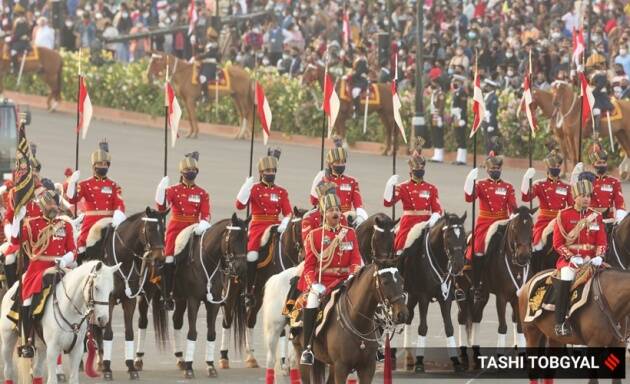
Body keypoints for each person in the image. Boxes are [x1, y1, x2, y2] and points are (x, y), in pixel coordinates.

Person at [296, 192, 361, 365]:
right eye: (331, 210)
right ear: (324, 214)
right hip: (323, 281)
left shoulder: (350, 233)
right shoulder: (315, 235)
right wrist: (313, 285)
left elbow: (356, 259)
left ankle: (372, 345)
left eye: (338, 210)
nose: (336, 213)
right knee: (311, 301)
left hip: (346, 279)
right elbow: (309, 266)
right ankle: (307, 349)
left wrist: (354, 275)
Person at [10, 190, 75, 358]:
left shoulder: (65, 225)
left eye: (55, 204)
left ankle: (82, 336)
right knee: (28, 300)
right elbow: (15, 240)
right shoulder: (32, 224)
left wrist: (65, 259)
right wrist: (18, 218)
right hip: (38, 269)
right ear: (43, 206)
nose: (53, 207)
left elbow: (73, 250)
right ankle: (27, 342)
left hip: (60, 267)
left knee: (81, 291)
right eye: (50, 204)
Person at [235, 149, 291, 307]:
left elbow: (288, 212)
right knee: (251, 255)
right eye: (267, 171)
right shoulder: (254, 189)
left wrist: (285, 223)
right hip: (258, 227)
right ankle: (249, 290)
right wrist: (246, 186)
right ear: (261, 172)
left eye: (273, 170)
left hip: (276, 225)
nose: (271, 173)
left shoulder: (281, 191)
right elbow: (239, 205)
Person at [155, 152, 210, 310]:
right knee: (169, 260)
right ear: (182, 172)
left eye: (194, 169)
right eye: (188, 169)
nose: (191, 172)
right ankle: (167, 294)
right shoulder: (173, 190)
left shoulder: (202, 193)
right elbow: (161, 206)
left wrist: (204, 222)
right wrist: (161, 190)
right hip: (176, 228)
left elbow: (206, 213)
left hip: (194, 228)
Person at [552, 177, 606, 336]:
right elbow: (557, 243)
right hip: (570, 262)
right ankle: (560, 322)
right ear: (575, 197)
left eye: (589, 196)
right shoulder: (563, 215)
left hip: (591, 260)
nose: (587, 199)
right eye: (583, 196)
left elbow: (602, 241)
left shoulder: (596, 216)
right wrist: (570, 257)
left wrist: (599, 256)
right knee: (566, 279)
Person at [464, 151, 517, 302]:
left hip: (503, 222)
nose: (495, 171)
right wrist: (469, 181)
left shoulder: (508, 187)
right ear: (487, 170)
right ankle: (477, 284)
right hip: (485, 223)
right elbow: (469, 198)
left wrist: (514, 217)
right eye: (492, 169)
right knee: (478, 250)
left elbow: (513, 206)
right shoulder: (480, 184)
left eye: (498, 169)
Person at [66, 140, 126, 259]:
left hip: (108, 224)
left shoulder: (113, 185)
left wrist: (118, 215)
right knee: (81, 250)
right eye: (100, 164)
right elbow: (72, 199)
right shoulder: (85, 184)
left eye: (105, 164)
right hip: (90, 224)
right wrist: (72, 183)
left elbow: (119, 203)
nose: (103, 167)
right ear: (94, 166)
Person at [383, 140, 442, 255]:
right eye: (416, 168)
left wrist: (433, 218)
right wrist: (389, 186)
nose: (419, 170)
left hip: (426, 223)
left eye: (421, 167)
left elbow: (437, 209)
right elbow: (388, 203)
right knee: (400, 248)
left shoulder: (431, 188)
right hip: (408, 224)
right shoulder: (403, 187)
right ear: (410, 170)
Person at [522, 150, 573, 256]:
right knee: (537, 246)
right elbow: (526, 198)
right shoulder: (539, 184)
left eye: (558, 165)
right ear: (547, 167)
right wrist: (526, 179)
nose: (556, 168)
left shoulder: (566, 186)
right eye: (553, 165)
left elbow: (572, 206)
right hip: (544, 221)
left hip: (561, 221)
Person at [309, 137, 368, 226]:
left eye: (342, 162)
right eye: (337, 162)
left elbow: (358, 204)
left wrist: (361, 216)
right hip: (327, 219)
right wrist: (322, 181)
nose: (340, 165)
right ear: (330, 164)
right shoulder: (324, 179)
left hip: (348, 219)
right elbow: (313, 201)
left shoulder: (352, 182)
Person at [587, 144, 626, 222]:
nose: (601, 165)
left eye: (603, 162)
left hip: (609, 219)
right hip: (591, 218)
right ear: (593, 165)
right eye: (599, 163)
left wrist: (620, 217)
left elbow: (620, 202)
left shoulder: (614, 182)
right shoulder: (588, 181)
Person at [586, 53, 613, 136]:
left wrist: (591, 93)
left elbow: (599, 86)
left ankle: (596, 130)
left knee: (596, 110)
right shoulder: (592, 75)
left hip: (600, 96)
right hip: (593, 95)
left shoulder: (601, 75)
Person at [198, 27, 221, 102]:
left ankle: (205, 95)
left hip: (211, 65)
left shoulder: (214, 45)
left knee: (203, 78)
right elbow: (203, 51)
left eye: (208, 36)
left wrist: (200, 56)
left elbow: (208, 54)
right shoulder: (208, 45)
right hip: (205, 64)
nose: (207, 37)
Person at [450, 74, 468, 165]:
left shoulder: (462, 92)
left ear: (459, 82)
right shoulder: (456, 92)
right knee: (458, 137)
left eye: (455, 81)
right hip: (457, 117)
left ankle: (462, 159)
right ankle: (459, 158)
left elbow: (463, 106)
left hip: (461, 117)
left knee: (462, 137)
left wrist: (462, 118)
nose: (453, 83)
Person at [428, 77, 446, 163]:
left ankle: (440, 155)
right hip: (433, 116)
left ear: (437, 84)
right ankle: (436, 154)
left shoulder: (440, 94)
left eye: (433, 82)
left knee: (439, 135)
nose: (432, 84)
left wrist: (439, 116)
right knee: (434, 135)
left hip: (437, 117)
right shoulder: (434, 93)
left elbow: (441, 106)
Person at [10, 4, 30, 74]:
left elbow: (20, 32)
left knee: (13, 52)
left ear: (18, 13)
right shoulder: (19, 20)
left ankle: (15, 68)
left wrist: (12, 38)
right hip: (18, 39)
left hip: (21, 41)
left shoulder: (21, 20)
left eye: (16, 13)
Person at [350, 47, 369, 118]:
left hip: (361, 80)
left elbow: (359, 72)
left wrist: (351, 75)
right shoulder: (358, 59)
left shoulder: (363, 60)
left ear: (362, 53)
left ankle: (357, 111)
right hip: (356, 79)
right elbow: (352, 67)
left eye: (359, 52)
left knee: (355, 92)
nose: (357, 53)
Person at [482, 79, 500, 154]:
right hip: (486, 122)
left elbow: (493, 112)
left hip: (490, 124)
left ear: (491, 87)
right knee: (487, 143)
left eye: (487, 86)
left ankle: (492, 162)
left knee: (491, 144)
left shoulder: (494, 97)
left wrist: (491, 125)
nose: (485, 87)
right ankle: (488, 160)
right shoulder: (487, 96)